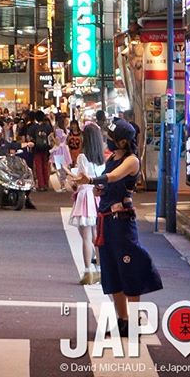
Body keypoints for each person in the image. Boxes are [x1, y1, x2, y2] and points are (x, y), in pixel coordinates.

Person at [73, 119, 163, 337]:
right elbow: (109, 182)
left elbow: (114, 176)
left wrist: (93, 180)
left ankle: (133, 321)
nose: (109, 142)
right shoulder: (112, 157)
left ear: (124, 141)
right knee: (112, 273)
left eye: (112, 139)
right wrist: (100, 189)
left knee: (129, 270)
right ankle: (121, 321)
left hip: (122, 222)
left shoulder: (132, 161)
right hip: (105, 220)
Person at [68, 122, 105, 285]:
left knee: (86, 237)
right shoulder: (102, 158)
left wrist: (69, 174)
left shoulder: (82, 157)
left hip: (85, 196)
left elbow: (80, 177)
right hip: (98, 197)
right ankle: (102, 270)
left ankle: (88, 271)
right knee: (98, 236)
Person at [27, 110, 53, 191]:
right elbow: (51, 137)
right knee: (45, 166)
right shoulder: (48, 126)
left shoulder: (33, 127)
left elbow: (29, 137)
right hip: (46, 149)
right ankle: (46, 184)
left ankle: (41, 184)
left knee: (38, 166)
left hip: (37, 148)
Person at [49, 128, 72, 192]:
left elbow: (57, 143)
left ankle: (63, 185)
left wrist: (52, 137)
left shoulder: (58, 132)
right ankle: (63, 184)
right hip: (64, 152)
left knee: (60, 170)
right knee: (63, 169)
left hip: (59, 153)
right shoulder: (65, 131)